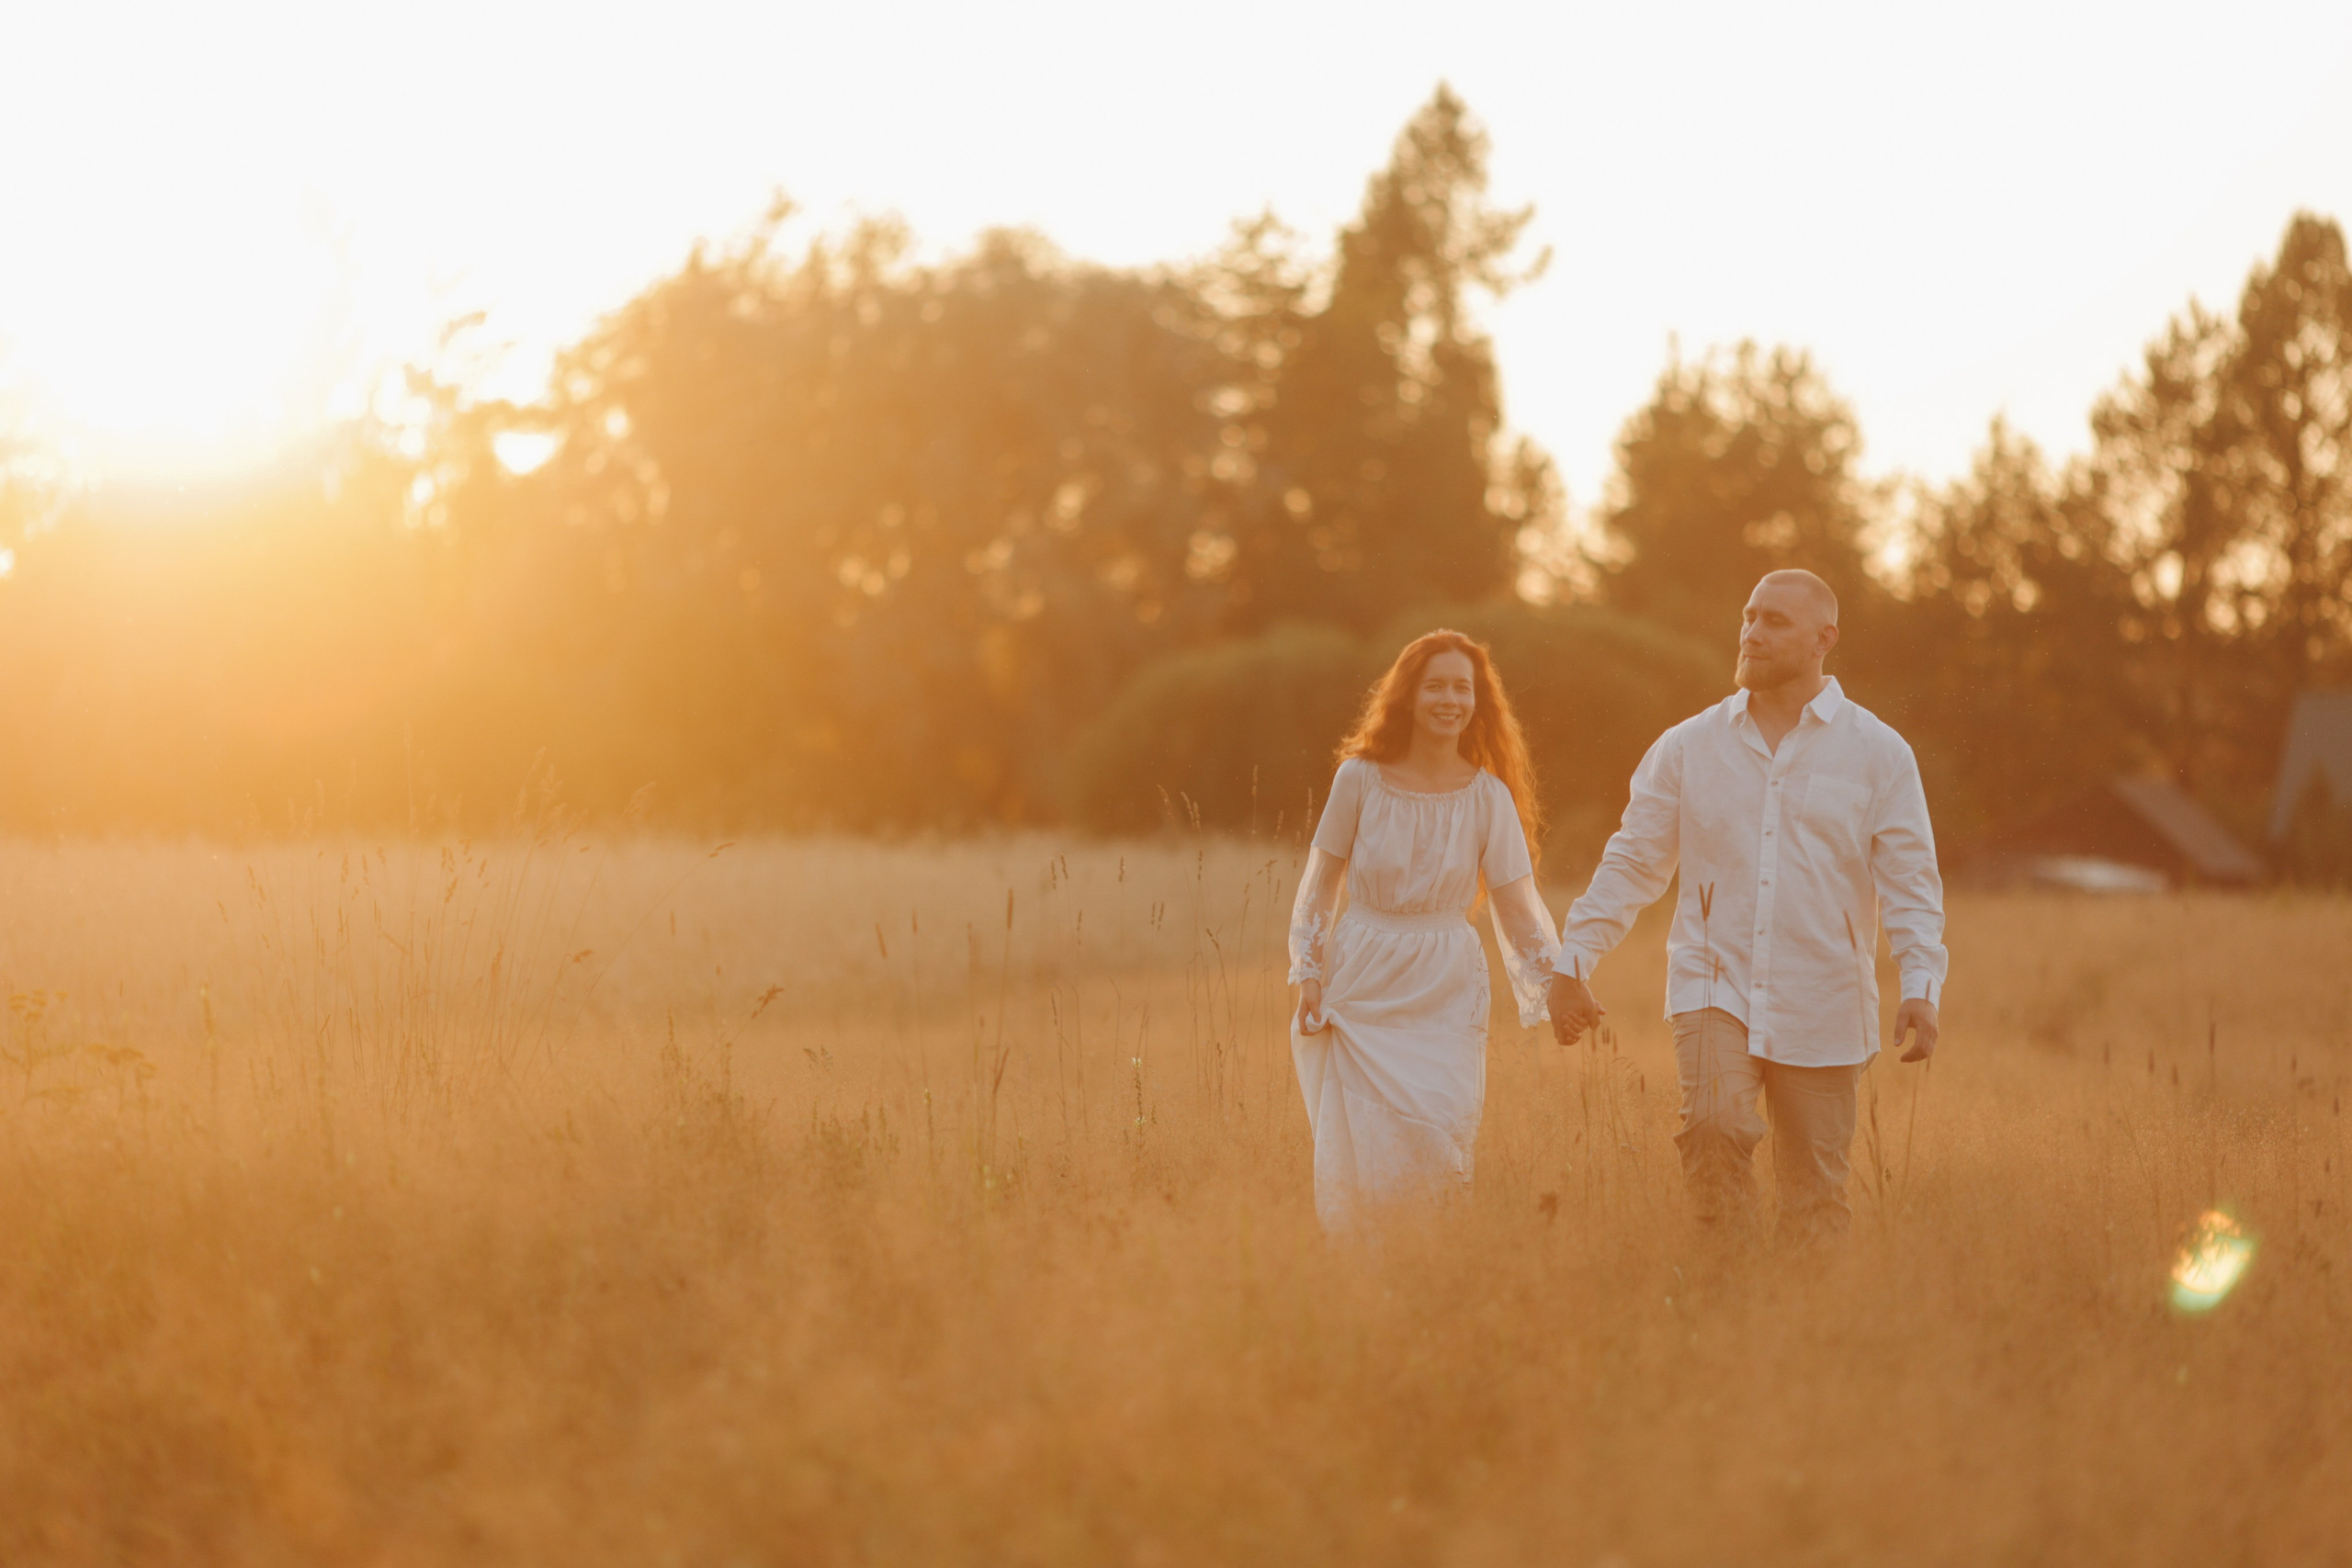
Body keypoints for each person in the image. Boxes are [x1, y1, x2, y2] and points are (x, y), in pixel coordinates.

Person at [1549, 570, 1947, 1244]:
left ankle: (1793, 1331)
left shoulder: (1879, 753)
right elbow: (1633, 860)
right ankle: (1723, 1290)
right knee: (1714, 1125)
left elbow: (1911, 881)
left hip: (1824, 996)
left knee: (1817, 1193)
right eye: (1749, 616)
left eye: (1775, 622)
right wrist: (1573, 958)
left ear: (1826, 639)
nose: (1753, 632)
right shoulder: (1689, 745)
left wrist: (1921, 985)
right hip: (1714, 979)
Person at [1286, 630, 1557, 1232]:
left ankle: (1433, 1262)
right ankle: (1366, 1272)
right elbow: (1320, 883)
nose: (1449, 698)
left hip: (1447, 981)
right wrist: (1308, 972)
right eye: (1435, 685)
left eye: (1462, 687)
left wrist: (1558, 983)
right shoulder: (1358, 779)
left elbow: (1517, 906)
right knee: (1366, 1136)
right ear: (1408, 696)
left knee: (1441, 1127)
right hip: (1365, 977)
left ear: (1476, 702)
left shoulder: (1490, 796)